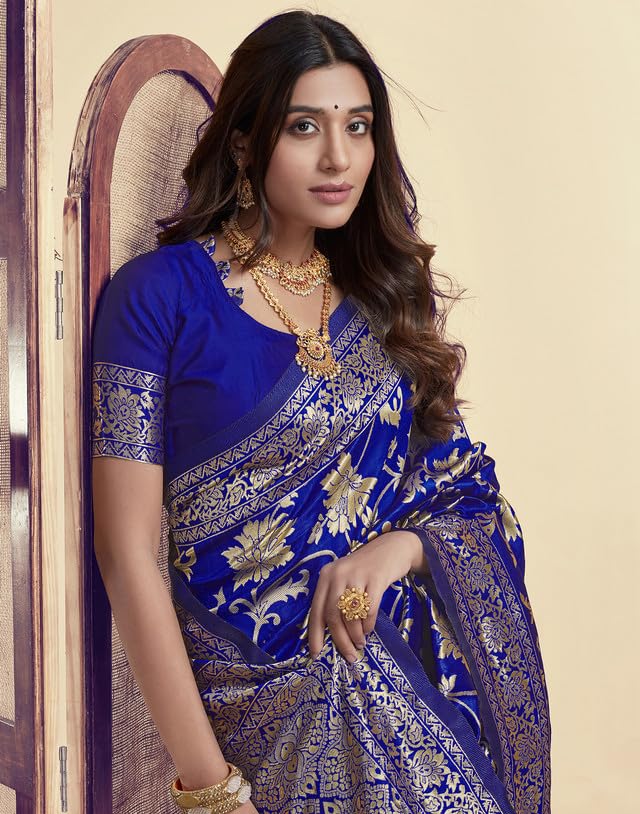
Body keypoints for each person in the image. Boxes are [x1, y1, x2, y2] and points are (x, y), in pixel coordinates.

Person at [91, 9, 551, 814]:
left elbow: (466, 492)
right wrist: (210, 789)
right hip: (259, 698)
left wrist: (393, 552)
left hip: (402, 665)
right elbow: (125, 555)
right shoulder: (156, 298)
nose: (339, 157)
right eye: (305, 126)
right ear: (245, 144)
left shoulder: (380, 298)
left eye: (358, 127)